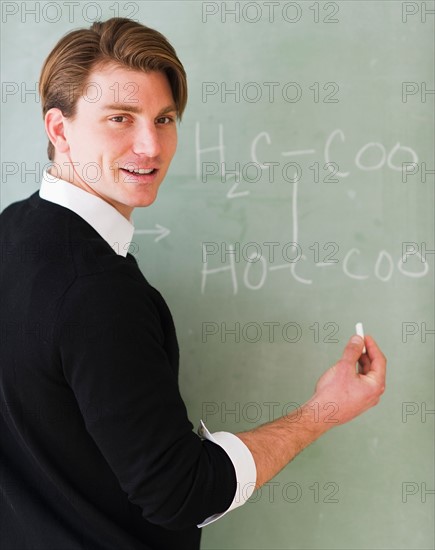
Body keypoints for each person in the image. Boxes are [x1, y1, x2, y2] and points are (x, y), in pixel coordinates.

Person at [0, 17, 386, 550]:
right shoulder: (98, 293)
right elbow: (181, 493)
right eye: (120, 118)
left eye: (164, 119)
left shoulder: (10, 231)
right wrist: (323, 411)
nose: (150, 146)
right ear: (59, 130)